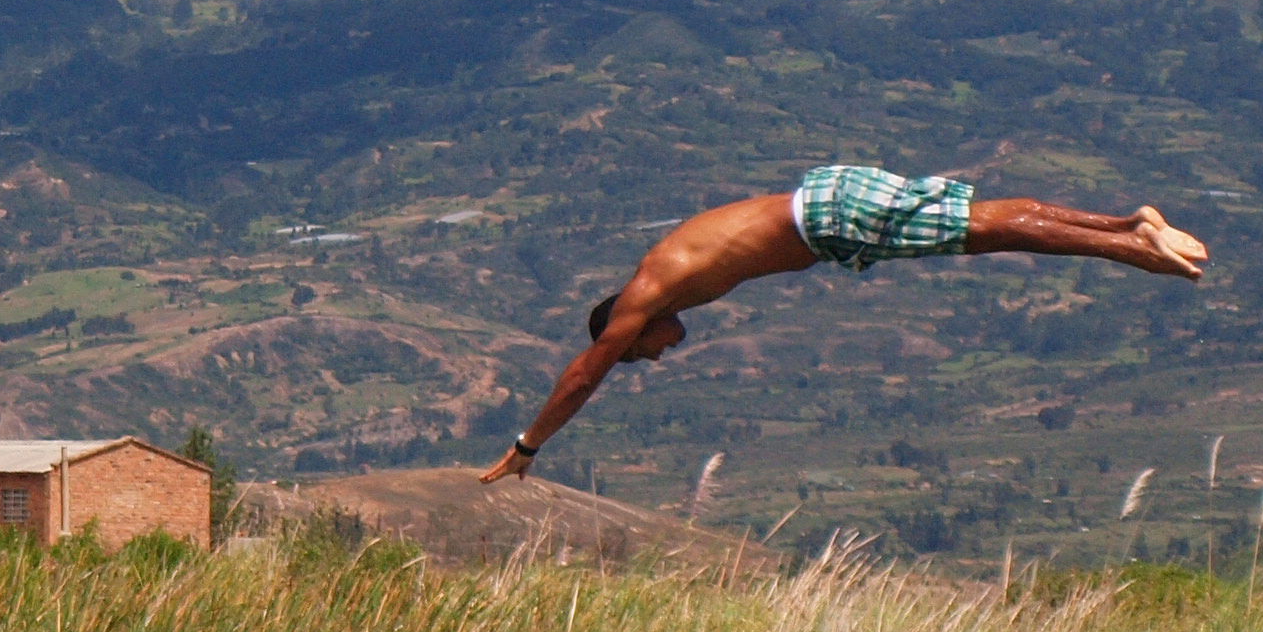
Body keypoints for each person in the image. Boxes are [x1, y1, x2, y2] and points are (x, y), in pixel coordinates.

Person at [474, 164, 1206, 481]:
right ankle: (1128, 223)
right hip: (829, 207)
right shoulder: (669, 275)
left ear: (625, 333)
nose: (656, 358)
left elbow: (580, 376)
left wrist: (527, 444)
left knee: (981, 234)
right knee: (979, 223)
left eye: (640, 356)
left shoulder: (642, 296)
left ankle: (1130, 246)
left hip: (828, 214)